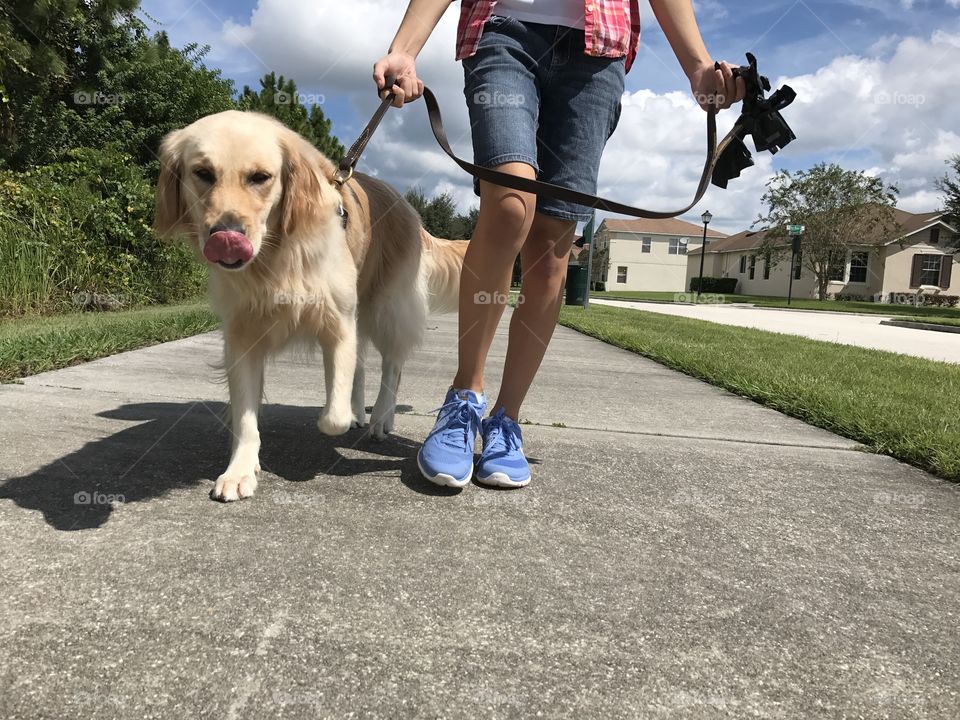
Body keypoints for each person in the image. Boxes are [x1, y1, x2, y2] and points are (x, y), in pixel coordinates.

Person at [372, 0, 744, 489]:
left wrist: (698, 65)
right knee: (509, 204)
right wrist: (405, 49)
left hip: (598, 52)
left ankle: (506, 420)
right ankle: (464, 399)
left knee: (552, 244)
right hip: (502, 31)